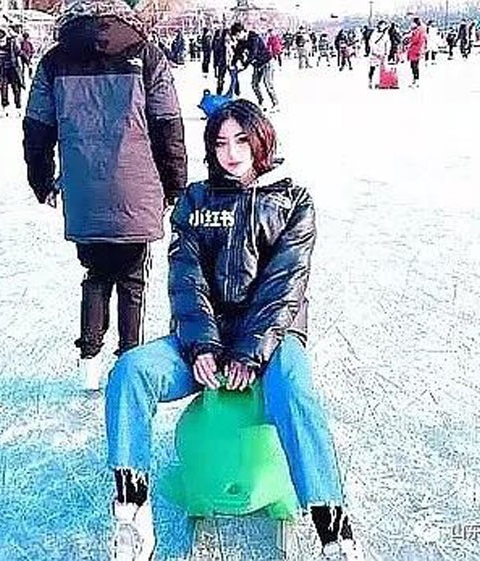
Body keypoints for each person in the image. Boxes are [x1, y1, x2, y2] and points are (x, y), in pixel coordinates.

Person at [105, 99, 365, 561]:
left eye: (242, 140)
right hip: (203, 337)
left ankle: (333, 526)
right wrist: (202, 344)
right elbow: (186, 279)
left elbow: (284, 285)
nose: (231, 152)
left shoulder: (293, 202)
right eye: (221, 142)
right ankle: (132, 510)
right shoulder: (195, 202)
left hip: (272, 337)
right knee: (131, 370)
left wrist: (250, 351)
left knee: (295, 389)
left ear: (261, 141)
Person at [22, 0, 187, 390]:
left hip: (83, 188)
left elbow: (36, 129)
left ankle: (89, 363)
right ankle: (129, 362)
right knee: (132, 280)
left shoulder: (55, 59)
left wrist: (41, 181)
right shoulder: (146, 54)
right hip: (136, 186)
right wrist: (175, 183)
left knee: (96, 275)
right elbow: (168, 126)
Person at [230, 22, 278, 112]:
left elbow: (253, 53)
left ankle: (275, 104)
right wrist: (232, 64)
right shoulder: (241, 42)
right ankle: (261, 102)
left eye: (237, 35)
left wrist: (244, 66)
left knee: (267, 83)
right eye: (235, 37)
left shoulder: (254, 37)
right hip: (257, 64)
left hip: (267, 62)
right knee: (254, 84)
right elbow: (237, 53)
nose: (237, 38)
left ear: (242, 32)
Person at [0, 29, 24, 115]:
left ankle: (18, 107)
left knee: (16, 88)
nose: (1, 42)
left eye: (2, 40)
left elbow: (19, 52)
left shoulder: (11, 43)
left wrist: (27, 61)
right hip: (3, 70)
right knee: (3, 89)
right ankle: (5, 107)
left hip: (13, 69)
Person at [368, 20, 391, 88]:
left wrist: (386, 52)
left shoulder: (386, 34)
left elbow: (388, 44)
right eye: (382, 25)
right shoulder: (374, 33)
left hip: (383, 54)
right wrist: (375, 52)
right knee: (373, 68)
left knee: (382, 68)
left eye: (384, 25)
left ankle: (380, 82)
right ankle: (370, 81)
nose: (383, 26)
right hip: (374, 54)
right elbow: (371, 43)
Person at [406, 17, 426, 87]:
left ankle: (416, 80)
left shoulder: (418, 30)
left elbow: (415, 39)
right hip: (416, 49)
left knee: (414, 66)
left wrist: (409, 38)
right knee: (414, 65)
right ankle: (415, 80)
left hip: (415, 49)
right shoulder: (421, 30)